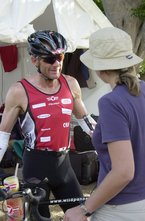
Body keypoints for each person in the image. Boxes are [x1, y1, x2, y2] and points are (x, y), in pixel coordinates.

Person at [0, 30, 96, 218]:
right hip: (36, 167)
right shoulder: (19, 91)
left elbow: (86, 122)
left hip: (64, 165)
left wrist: (109, 149)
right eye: (49, 59)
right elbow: (2, 137)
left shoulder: (71, 84)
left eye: (60, 57)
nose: (57, 64)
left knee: (82, 216)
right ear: (34, 60)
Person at [63, 27, 145, 221]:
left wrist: (83, 209)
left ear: (99, 68)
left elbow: (124, 172)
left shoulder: (111, 102)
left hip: (122, 207)